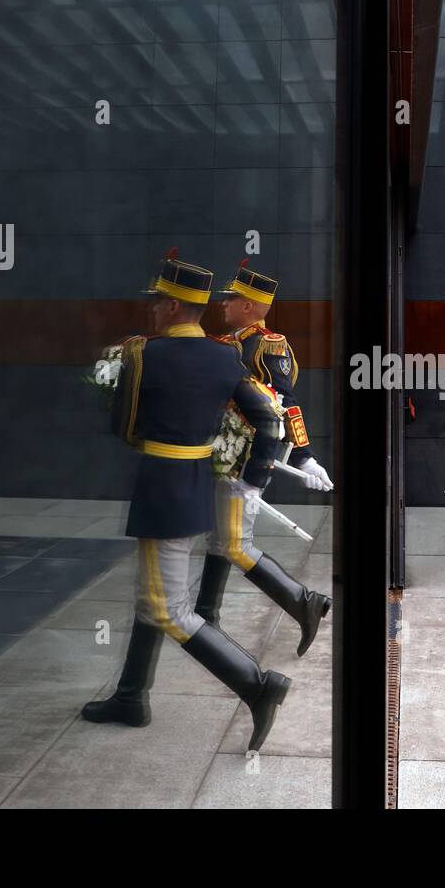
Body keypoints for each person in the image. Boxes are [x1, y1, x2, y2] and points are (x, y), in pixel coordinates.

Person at [81, 250, 291, 752]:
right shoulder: (225, 355)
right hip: (198, 480)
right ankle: (131, 695)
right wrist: (253, 476)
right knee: (150, 595)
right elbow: (266, 418)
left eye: (158, 302)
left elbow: (125, 426)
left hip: (162, 483)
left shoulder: (142, 354)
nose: (153, 309)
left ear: (174, 306)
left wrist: (154, 444)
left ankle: (256, 686)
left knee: (166, 606)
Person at [193, 259, 332, 656]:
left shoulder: (267, 345)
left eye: (232, 299)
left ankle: (303, 603)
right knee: (220, 538)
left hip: (248, 457)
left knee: (235, 543)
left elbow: (285, 404)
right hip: (223, 452)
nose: (223, 304)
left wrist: (303, 455)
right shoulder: (226, 342)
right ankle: (207, 612)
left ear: (250, 306)